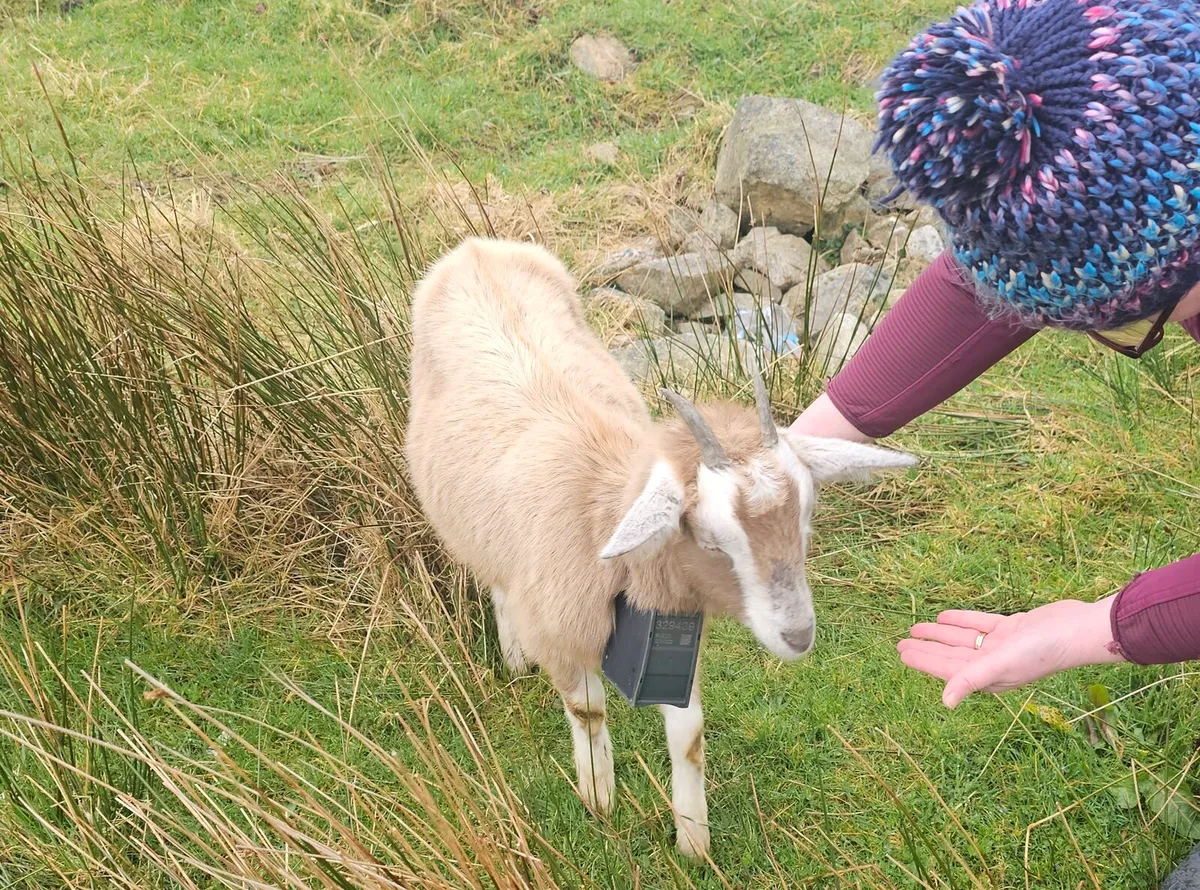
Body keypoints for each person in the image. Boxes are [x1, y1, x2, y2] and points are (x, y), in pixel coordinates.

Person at [787, 0, 1200, 885]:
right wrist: (794, 454)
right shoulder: (1142, 72)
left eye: (1123, 325)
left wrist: (1101, 630)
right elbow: (985, 286)